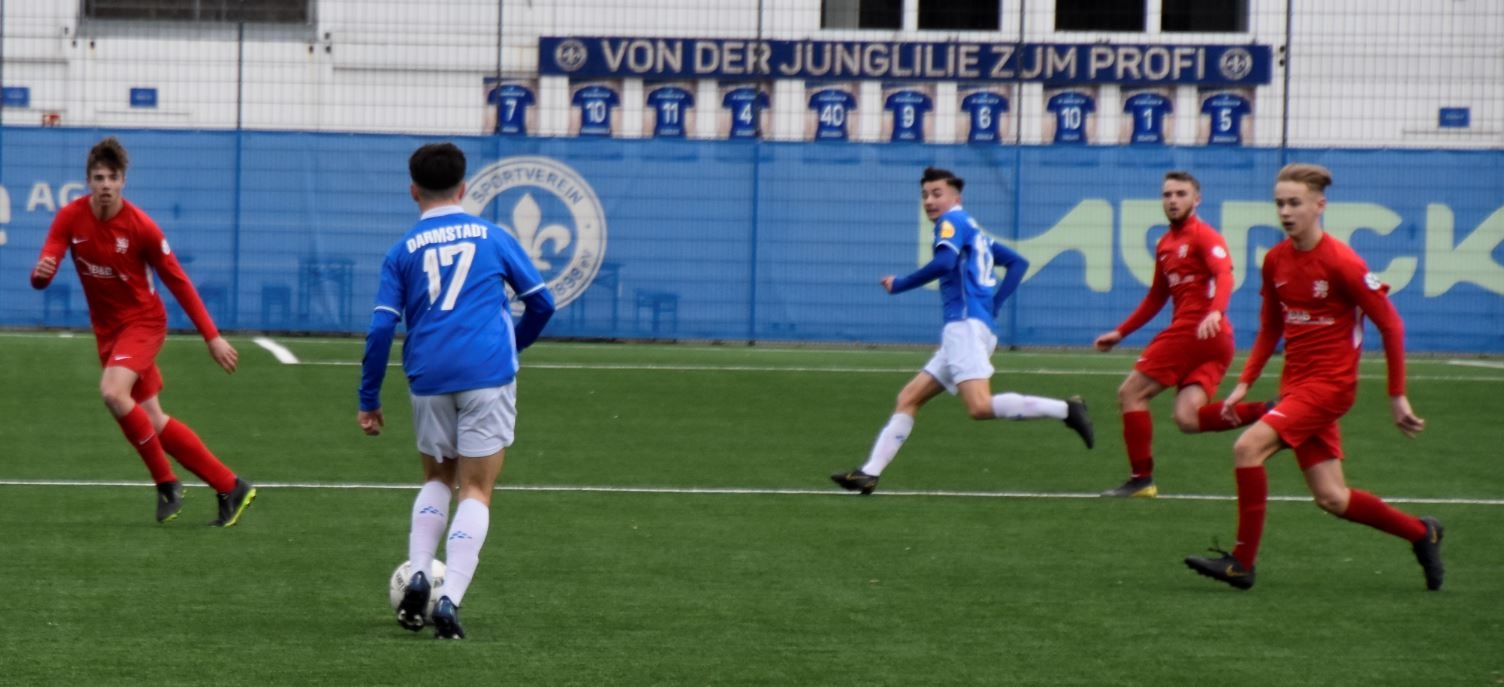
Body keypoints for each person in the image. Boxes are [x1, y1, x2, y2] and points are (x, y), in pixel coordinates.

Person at [1184, 163, 1443, 591]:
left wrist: (1397, 395)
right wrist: (1245, 382)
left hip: (1330, 388)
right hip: (1296, 387)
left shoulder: (1342, 261)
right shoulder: (1275, 260)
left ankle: (1242, 563)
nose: (1286, 212)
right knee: (1332, 498)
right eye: (1280, 204)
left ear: (1319, 206)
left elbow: (1391, 325)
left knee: (1247, 448)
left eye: (1295, 203)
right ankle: (1421, 533)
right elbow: (1271, 326)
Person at [358, 142, 555, 639]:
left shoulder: (402, 250)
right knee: (476, 490)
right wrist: (511, 345)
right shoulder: (493, 237)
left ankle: (420, 572)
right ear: (463, 188)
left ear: (413, 191)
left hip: (429, 377)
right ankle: (449, 601)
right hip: (487, 375)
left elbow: (381, 329)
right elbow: (542, 304)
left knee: (437, 479)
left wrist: (369, 399)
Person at [29, 136, 256, 527]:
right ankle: (230, 486)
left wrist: (212, 336)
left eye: (112, 177)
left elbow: (179, 282)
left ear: (123, 181)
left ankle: (166, 484)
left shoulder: (141, 227)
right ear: (88, 181)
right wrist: (40, 274)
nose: (105, 185)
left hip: (144, 324)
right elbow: (43, 272)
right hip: (109, 332)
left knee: (112, 392)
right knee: (152, 419)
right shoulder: (70, 217)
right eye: (98, 177)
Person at [831, 167, 1094, 495]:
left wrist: (900, 284)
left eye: (936, 194)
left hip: (965, 328)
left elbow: (944, 263)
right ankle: (868, 474)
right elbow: (1018, 263)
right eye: (925, 195)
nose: (929, 201)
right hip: (972, 326)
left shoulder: (951, 222)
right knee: (909, 397)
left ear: (956, 198)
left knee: (979, 406)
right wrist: (994, 306)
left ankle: (1066, 410)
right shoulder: (975, 230)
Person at [1093, 171, 1272, 498]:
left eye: (1180, 194)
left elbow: (1224, 274)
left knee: (1130, 394)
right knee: (1187, 418)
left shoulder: (1204, 236)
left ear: (1196, 199)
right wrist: (1121, 332)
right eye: (1167, 195)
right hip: (1215, 340)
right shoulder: (1165, 244)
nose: (1173, 200)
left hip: (1196, 330)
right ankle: (1271, 411)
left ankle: (1141, 479)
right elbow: (1156, 297)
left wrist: (1215, 311)